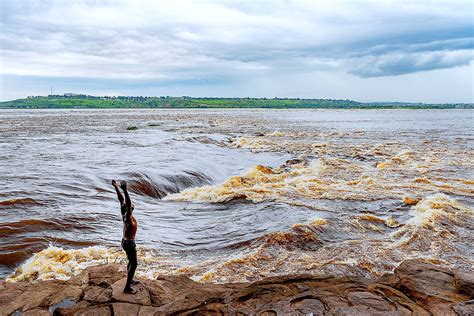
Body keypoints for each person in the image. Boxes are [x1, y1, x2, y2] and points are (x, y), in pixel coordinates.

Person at [112, 179, 138, 294]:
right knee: (134, 264)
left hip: (125, 241)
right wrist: (125, 191)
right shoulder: (128, 217)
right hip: (129, 243)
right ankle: (127, 287)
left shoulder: (124, 214)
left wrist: (115, 187)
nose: (132, 205)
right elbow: (126, 202)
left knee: (130, 262)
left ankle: (129, 280)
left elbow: (121, 199)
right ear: (129, 210)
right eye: (131, 206)